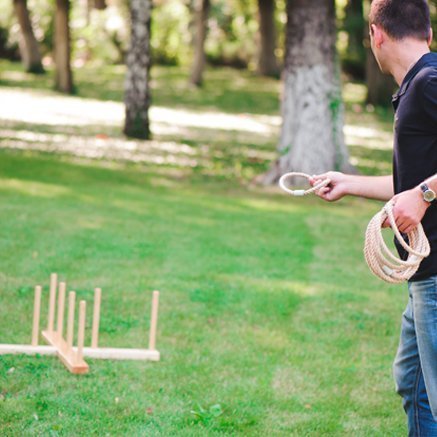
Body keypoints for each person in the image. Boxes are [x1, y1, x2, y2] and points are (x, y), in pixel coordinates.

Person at [311, 0, 437, 435]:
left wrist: (423, 194)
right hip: (425, 274)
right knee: (413, 382)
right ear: (428, 33)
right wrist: (348, 183)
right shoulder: (418, 85)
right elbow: (410, 182)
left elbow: (420, 188)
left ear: (376, 35)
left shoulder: (429, 83)